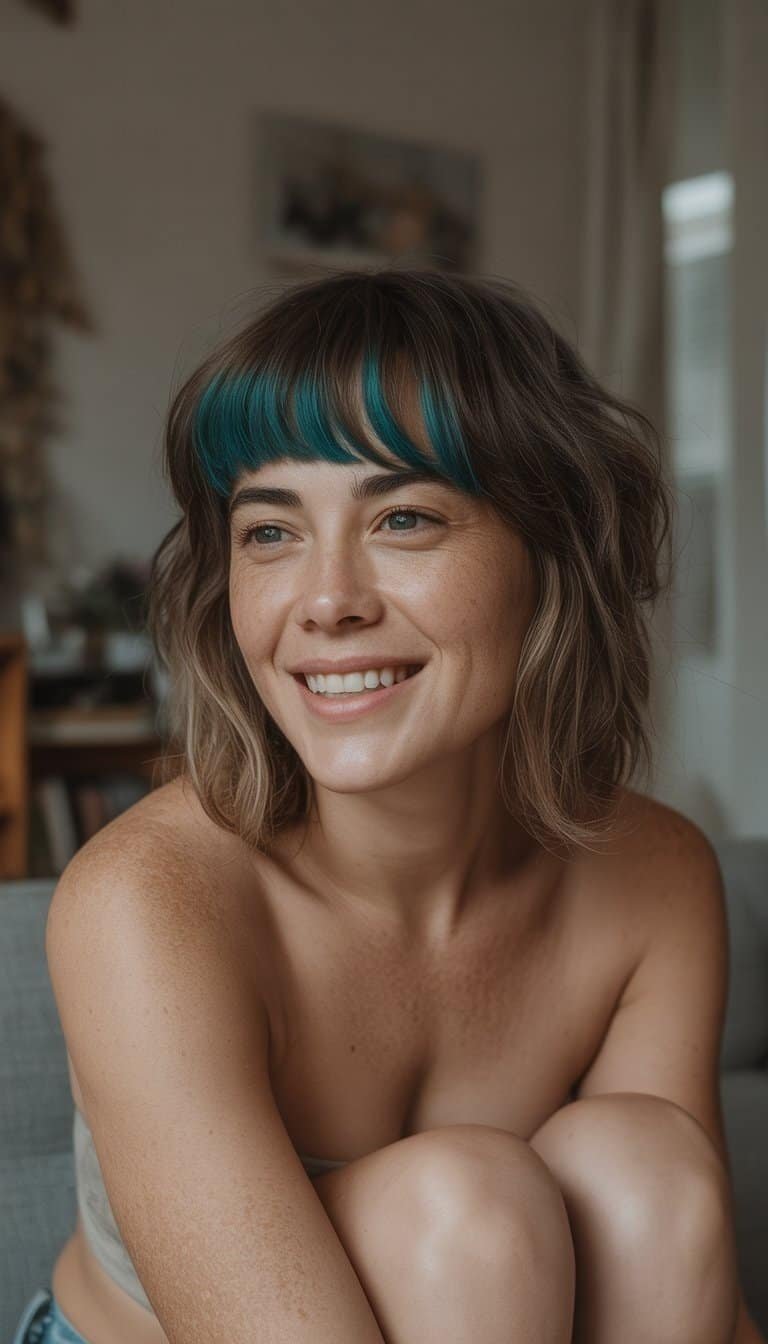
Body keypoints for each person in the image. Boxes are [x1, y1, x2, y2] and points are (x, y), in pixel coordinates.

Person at [16, 268, 760, 1344]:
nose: (326, 602)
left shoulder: (654, 878)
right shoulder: (146, 901)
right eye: (270, 533)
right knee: (464, 1219)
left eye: (404, 518)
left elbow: (683, 1297)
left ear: (551, 557)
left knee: (644, 1177)